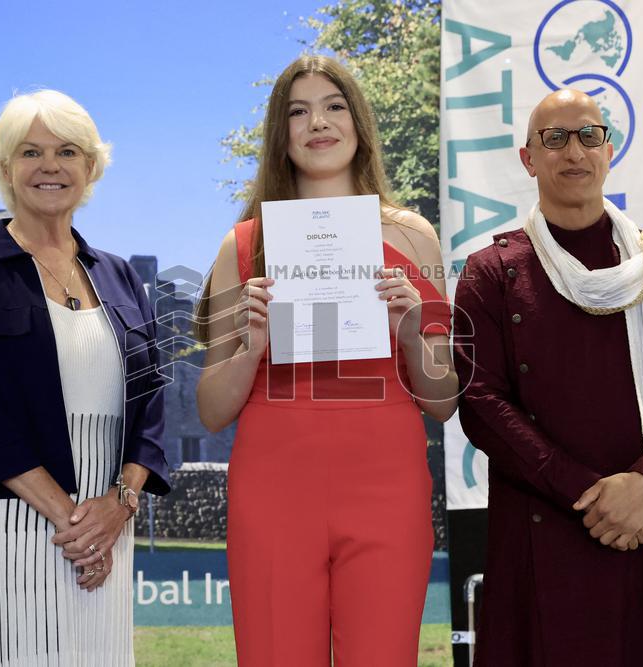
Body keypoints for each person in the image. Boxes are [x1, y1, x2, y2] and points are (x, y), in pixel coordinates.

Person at [195, 55, 458, 666]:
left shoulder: (416, 235)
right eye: (298, 110)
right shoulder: (242, 245)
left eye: (334, 105)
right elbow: (211, 409)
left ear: (359, 122)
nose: (318, 121)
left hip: (387, 485)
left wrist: (411, 329)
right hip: (272, 488)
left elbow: (444, 401)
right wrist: (250, 346)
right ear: (279, 133)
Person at [452, 88, 643, 666]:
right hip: (543, 531)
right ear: (528, 158)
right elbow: (481, 402)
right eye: (555, 138)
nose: (573, 151)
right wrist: (589, 494)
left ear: (609, 150)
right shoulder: (491, 272)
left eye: (588, 135)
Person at [0, 89, 170, 666]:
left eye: (67, 151)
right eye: (30, 152)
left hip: (109, 518)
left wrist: (119, 506)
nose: (49, 167)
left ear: (90, 167)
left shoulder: (119, 276)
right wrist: (75, 523)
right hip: (7, 518)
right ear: (5, 168)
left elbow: (152, 405)